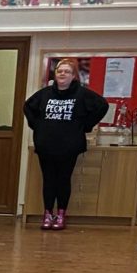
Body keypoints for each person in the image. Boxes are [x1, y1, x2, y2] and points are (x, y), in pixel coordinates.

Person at [23, 59, 109, 230]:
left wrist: (85, 125)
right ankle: (47, 214)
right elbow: (28, 107)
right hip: (46, 145)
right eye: (59, 71)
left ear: (73, 76)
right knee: (48, 180)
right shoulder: (45, 93)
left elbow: (102, 105)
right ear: (55, 75)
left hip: (69, 146)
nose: (62, 74)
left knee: (63, 180)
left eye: (67, 71)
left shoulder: (82, 94)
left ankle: (61, 214)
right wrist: (37, 126)